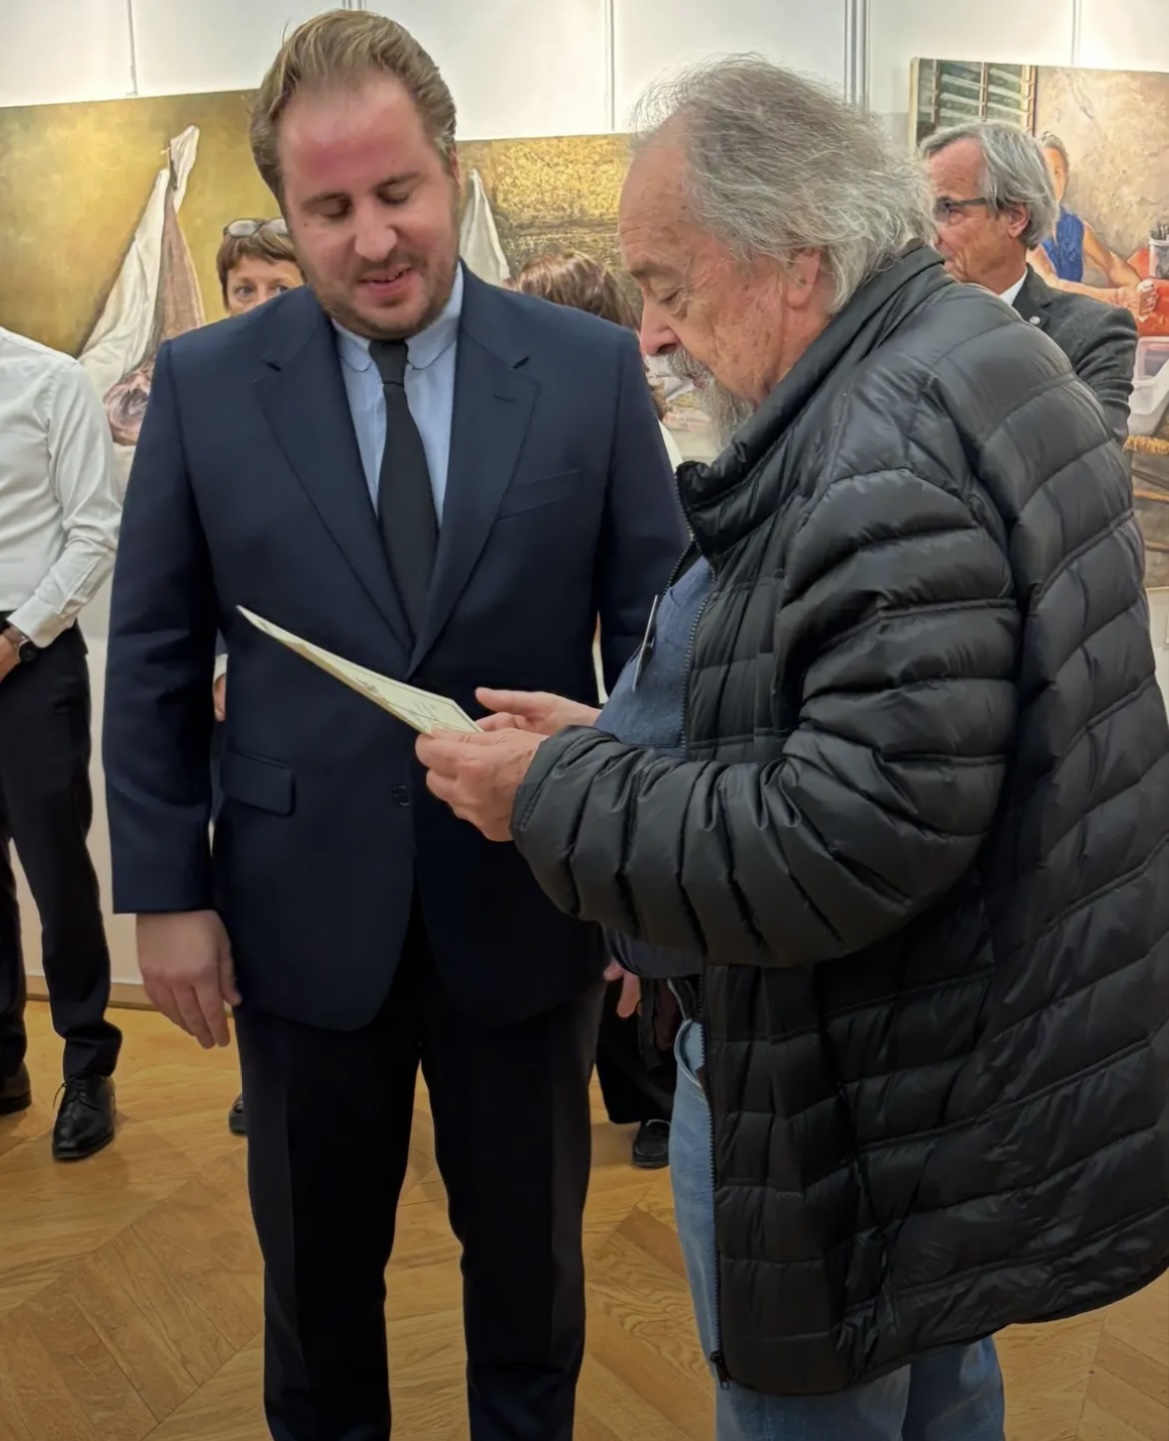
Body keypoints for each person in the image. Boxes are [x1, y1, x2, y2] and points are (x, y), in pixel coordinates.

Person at [416, 58, 1169, 1440]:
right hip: (940, 1050)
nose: (653, 332)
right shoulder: (957, 354)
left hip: (847, 1076)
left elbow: (852, 832)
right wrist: (618, 747)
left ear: (796, 262)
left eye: (670, 285)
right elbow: (872, 726)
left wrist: (557, 794)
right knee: (938, 1390)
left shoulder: (878, 438)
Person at [102, 11, 684, 1441]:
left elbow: (659, 642)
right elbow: (155, 651)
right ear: (286, 213)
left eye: (398, 191)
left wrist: (645, 873)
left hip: (530, 906)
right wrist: (166, 892)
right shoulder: (205, 387)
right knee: (314, 1292)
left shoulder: (586, 370)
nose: (372, 238)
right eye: (330, 208)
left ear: (453, 170)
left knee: (533, 1287)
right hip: (296, 920)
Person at [512, 248, 683, 1169]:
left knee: (613, 883)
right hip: (561, 694)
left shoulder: (626, 422)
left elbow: (645, 595)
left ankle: (649, 1088)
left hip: (610, 696)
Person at [0, 326, 122, 1161]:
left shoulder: (51, 380)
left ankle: (87, 1064)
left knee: (55, 869)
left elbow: (94, 530)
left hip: (29, 651)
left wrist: (15, 638)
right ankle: (2, 1061)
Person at [211, 217, 306, 1139]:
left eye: (281, 287)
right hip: (249, 719)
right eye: (246, 290)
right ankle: (263, 1065)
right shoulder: (203, 397)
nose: (262, 306)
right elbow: (181, 576)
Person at [921, 120, 1138, 443]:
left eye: (948, 209)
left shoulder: (1094, 333)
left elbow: (1092, 458)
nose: (930, 233)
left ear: (1014, 217)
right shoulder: (905, 317)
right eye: (923, 211)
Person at [1032, 132, 1154, 320]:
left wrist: (1139, 290)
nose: (1052, 181)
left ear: (1066, 177)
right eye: (1044, 172)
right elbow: (1052, 285)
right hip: (1032, 327)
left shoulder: (1075, 227)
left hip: (1071, 321)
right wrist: (1118, 298)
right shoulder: (1021, 226)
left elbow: (1112, 264)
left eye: (1057, 173)